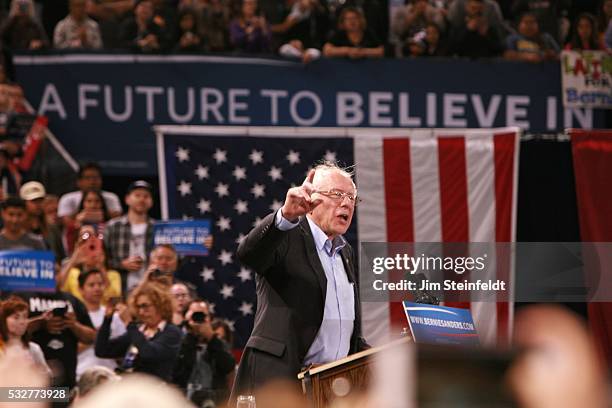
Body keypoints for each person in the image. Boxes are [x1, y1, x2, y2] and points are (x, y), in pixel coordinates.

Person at [231, 161, 369, 398]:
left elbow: (347, 329)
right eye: (337, 194)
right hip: (279, 382)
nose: (347, 202)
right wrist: (285, 216)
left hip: (329, 386)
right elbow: (249, 254)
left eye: (351, 197)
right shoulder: (286, 233)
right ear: (312, 199)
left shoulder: (345, 252)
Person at [94, 282, 182, 381]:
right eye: (138, 307)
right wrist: (107, 319)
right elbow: (102, 350)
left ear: (160, 305)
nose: (141, 312)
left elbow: (148, 353)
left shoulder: (171, 332)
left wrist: (129, 323)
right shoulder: (139, 331)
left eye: (145, 306)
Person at [172, 299, 235, 406]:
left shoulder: (218, 343)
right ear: (186, 317)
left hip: (215, 401)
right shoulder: (178, 341)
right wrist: (190, 334)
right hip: (183, 401)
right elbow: (176, 371)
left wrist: (211, 338)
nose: (198, 318)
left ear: (209, 318)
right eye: (194, 315)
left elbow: (228, 366)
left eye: (202, 315)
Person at [104, 180, 154, 292]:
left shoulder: (158, 228)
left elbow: (174, 258)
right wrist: (121, 265)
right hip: (120, 287)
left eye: (146, 196)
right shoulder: (112, 227)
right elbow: (102, 259)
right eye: (137, 195)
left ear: (151, 202)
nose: (142, 199)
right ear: (127, 199)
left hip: (151, 288)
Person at [75, 269, 126, 379]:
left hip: (110, 374)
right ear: (81, 289)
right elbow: (71, 349)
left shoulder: (114, 315)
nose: (97, 288)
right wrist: (96, 336)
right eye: (91, 285)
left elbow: (122, 350)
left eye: (100, 284)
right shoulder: (74, 316)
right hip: (83, 373)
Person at [58, 225, 122, 304]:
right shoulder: (72, 274)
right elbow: (57, 288)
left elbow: (114, 298)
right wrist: (73, 260)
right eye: (84, 243)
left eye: (93, 246)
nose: (89, 249)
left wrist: (101, 266)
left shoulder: (113, 275)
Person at [57, 162, 122, 230]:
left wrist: (104, 214)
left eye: (95, 178)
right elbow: (64, 222)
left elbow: (118, 220)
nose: (92, 182)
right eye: (87, 178)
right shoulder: (67, 198)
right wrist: (80, 216)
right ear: (79, 182)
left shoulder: (111, 197)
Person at [0, 295, 51, 375]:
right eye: (16, 317)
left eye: (24, 317)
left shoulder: (33, 349)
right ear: (4, 320)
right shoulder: (2, 349)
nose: (22, 322)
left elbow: (48, 376)